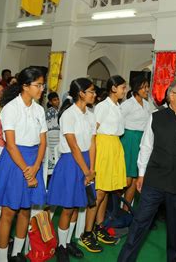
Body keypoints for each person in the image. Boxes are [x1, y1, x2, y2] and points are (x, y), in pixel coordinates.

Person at [118, 79, 176, 262]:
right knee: (138, 225)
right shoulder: (156, 117)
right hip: (154, 181)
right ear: (171, 96)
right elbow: (146, 147)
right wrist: (142, 174)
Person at [0, 66, 48, 262]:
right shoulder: (11, 109)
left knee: (26, 210)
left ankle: (17, 253)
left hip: (34, 160)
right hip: (15, 162)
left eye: (43, 85)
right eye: (38, 85)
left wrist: (36, 167)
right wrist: (27, 171)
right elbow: (11, 144)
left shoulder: (39, 109)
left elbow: (43, 142)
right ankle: (2, 256)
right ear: (25, 86)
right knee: (9, 211)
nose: (42, 89)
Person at [47, 78, 97, 261]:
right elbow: (73, 146)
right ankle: (61, 245)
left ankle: (68, 242)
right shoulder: (69, 115)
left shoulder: (91, 115)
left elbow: (92, 144)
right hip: (71, 162)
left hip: (85, 162)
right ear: (81, 93)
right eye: (91, 91)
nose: (94, 94)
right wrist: (86, 171)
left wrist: (92, 168)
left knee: (78, 205)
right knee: (68, 208)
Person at [79, 75, 127, 251]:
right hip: (103, 147)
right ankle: (87, 233)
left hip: (114, 146)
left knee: (106, 192)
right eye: (122, 87)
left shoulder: (117, 106)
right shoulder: (103, 106)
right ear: (113, 88)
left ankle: (99, 228)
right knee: (99, 192)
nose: (124, 90)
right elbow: (94, 131)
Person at [120, 75, 151, 208]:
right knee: (126, 179)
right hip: (129, 140)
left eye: (147, 87)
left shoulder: (148, 105)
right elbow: (118, 122)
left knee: (135, 179)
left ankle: (126, 211)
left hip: (142, 141)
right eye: (144, 87)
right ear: (136, 88)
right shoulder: (128, 104)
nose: (146, 90)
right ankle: (114, 207)